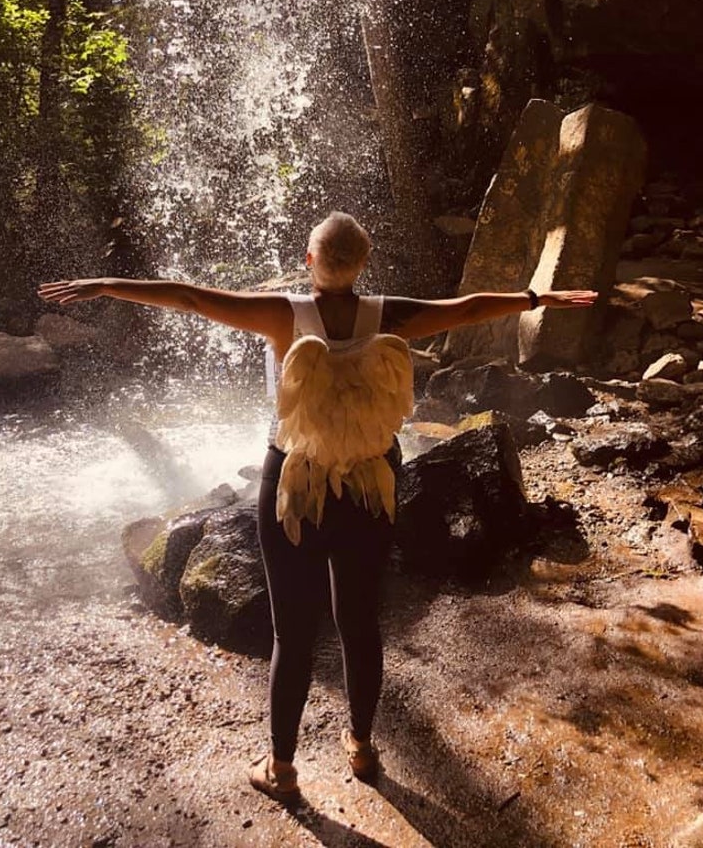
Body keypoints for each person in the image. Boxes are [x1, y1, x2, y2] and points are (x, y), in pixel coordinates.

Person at [38, 211, 597, 802]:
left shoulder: (283, 314)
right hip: (371, 479)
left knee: (293, 634)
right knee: (358, 621)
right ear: (362, 265)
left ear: (310, 261)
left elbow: (189, 298)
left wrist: (104, 285)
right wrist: (537, 296)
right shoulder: (391, 314)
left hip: (294, 482)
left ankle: (281, 769)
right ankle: (360, 746)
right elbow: (466, 308)